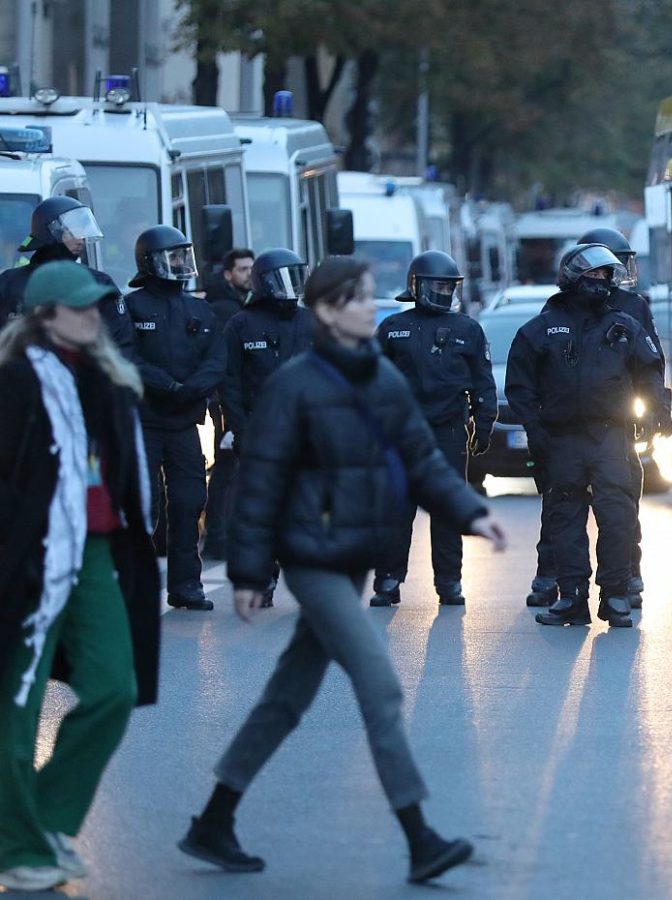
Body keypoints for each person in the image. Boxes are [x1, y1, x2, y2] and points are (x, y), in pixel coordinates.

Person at [178, 256, 506, 885]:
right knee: (381, 689)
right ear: (327, 310)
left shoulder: (381, 378)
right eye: (356, 298)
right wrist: (249, 571)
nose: (368, 306)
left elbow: (423, 460)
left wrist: (471, 510)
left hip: (353, 557)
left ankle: (212, 822)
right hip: (312, 559)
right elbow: (261, 480)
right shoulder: (295, 385)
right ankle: (420, 839)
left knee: (285, 698)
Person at [0, 262, 159, 892]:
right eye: (80, 306)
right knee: (17, 707)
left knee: (114, 689)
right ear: (44, 315)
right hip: (27, 559)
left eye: (98, 303)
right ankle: (17, 847)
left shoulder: (110, 380)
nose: (94, 314)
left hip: (96, 555)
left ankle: (48, 822)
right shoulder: (13, 383)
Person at [506, 243, 662, 628]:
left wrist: (654, 413)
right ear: (573, 278)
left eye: (605, 277)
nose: (600, 283)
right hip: (561, 438)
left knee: (618, 515)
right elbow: (519, 383)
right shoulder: (542, 327)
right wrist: (535, 428)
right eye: (592, 276)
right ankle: (572, 599)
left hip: (611, 436)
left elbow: (651, 370)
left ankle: (616, 597)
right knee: (564, 519)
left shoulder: (623, 325)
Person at [372, 251, 497, 607]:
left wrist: (484, 423)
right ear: (417, 286)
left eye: (449, 285)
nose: (444, 291)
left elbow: (483, 383)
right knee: (397, 510)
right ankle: (388, 580)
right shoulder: (393, 328)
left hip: (449, 430)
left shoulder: (468, 329)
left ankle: (449, 582)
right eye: (437, 285)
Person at [124, 225, 226, 610]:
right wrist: (166, 385)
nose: (182, 263)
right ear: (150, 262)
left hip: (184, 422)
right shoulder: (130, 307)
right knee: (142, 504)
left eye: (185, 255)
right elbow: (124, 357)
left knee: (188, 500)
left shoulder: (200, 309)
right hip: (144, 420)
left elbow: (217, 359)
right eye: (173, 256)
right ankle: (135, 585)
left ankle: (186, 585)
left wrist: (190, 389)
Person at [218, 249, 315, 604]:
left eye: (296, 276)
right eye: (282, 278)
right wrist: (240, 430)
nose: (291, 286)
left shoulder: (311, 323)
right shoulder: (240, 325)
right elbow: (230, 383)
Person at [0, 197, 132, 355]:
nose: (81, 239)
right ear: (51, 230)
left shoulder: (99, 283)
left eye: (83, 232)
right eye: (74, 231)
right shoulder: (10, 282)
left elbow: (122, 345)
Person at [201, 248, 254, 562]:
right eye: (242, 269)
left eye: (251, 268)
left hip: (233, 400)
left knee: (231, 469)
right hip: (224, 402)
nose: (248, 273)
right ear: (228, 274)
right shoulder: (224, 309)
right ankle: (217, 538)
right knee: (226, 469)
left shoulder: (239, 304)